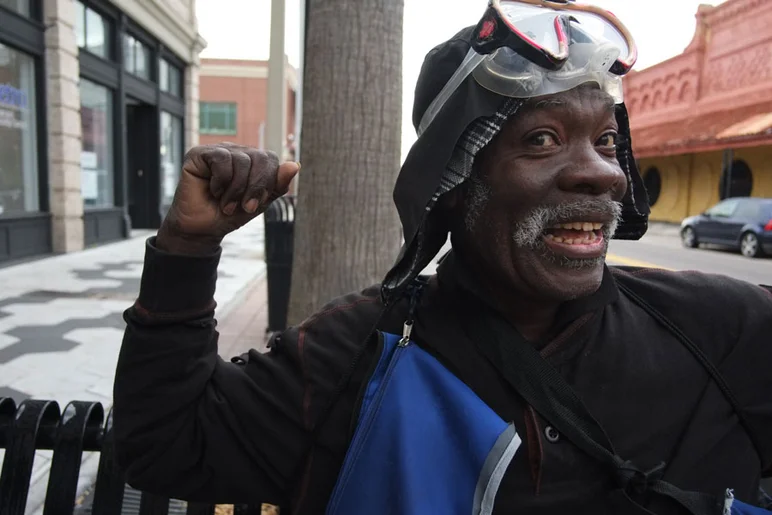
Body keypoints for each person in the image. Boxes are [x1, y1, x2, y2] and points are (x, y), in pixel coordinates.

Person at [112, 1, 772, 514]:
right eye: (542, 139)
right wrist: (187, 249)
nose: (601, 174)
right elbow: (165, 444)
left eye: (605, 140)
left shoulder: (719, 329)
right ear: (452, 186)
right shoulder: (360, 354)